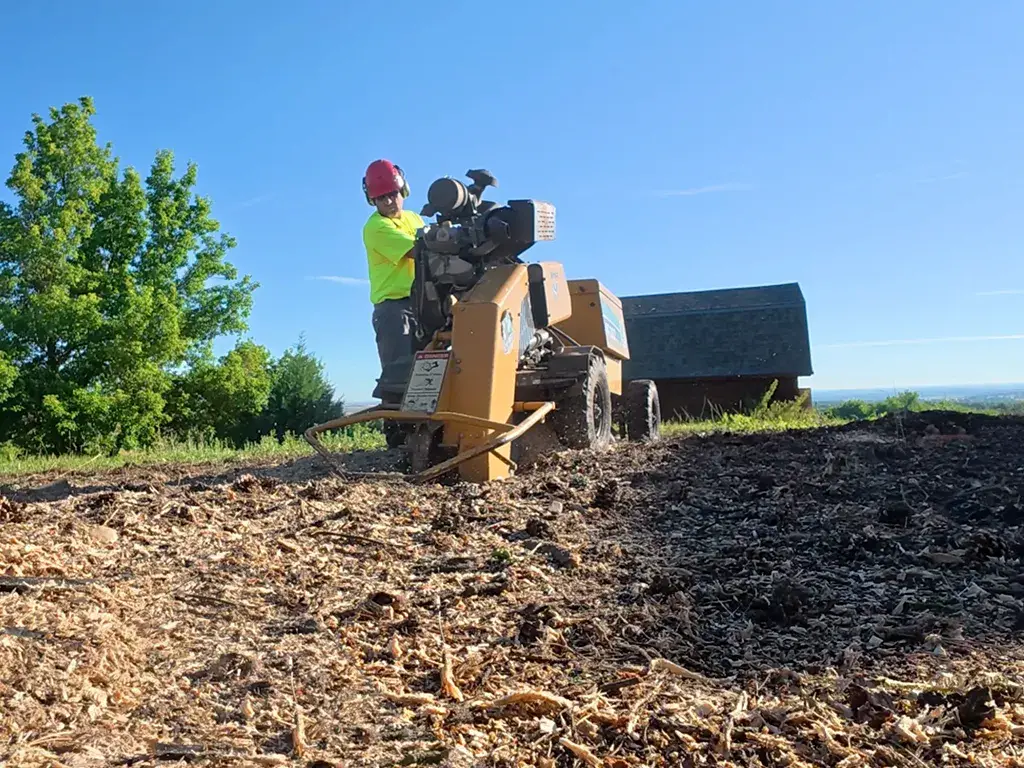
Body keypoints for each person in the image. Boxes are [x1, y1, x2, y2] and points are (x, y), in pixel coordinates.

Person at [361, 159, 425, 380]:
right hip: (394, 312)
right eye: (381, 197)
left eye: (392, 194)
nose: (389, 201)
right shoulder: (376, 227)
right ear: (372, 200)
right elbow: (418, 251)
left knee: (429, 378)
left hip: (421, 306)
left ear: (403, 190)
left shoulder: (413, 219)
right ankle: (397, 415)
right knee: (399, 382)